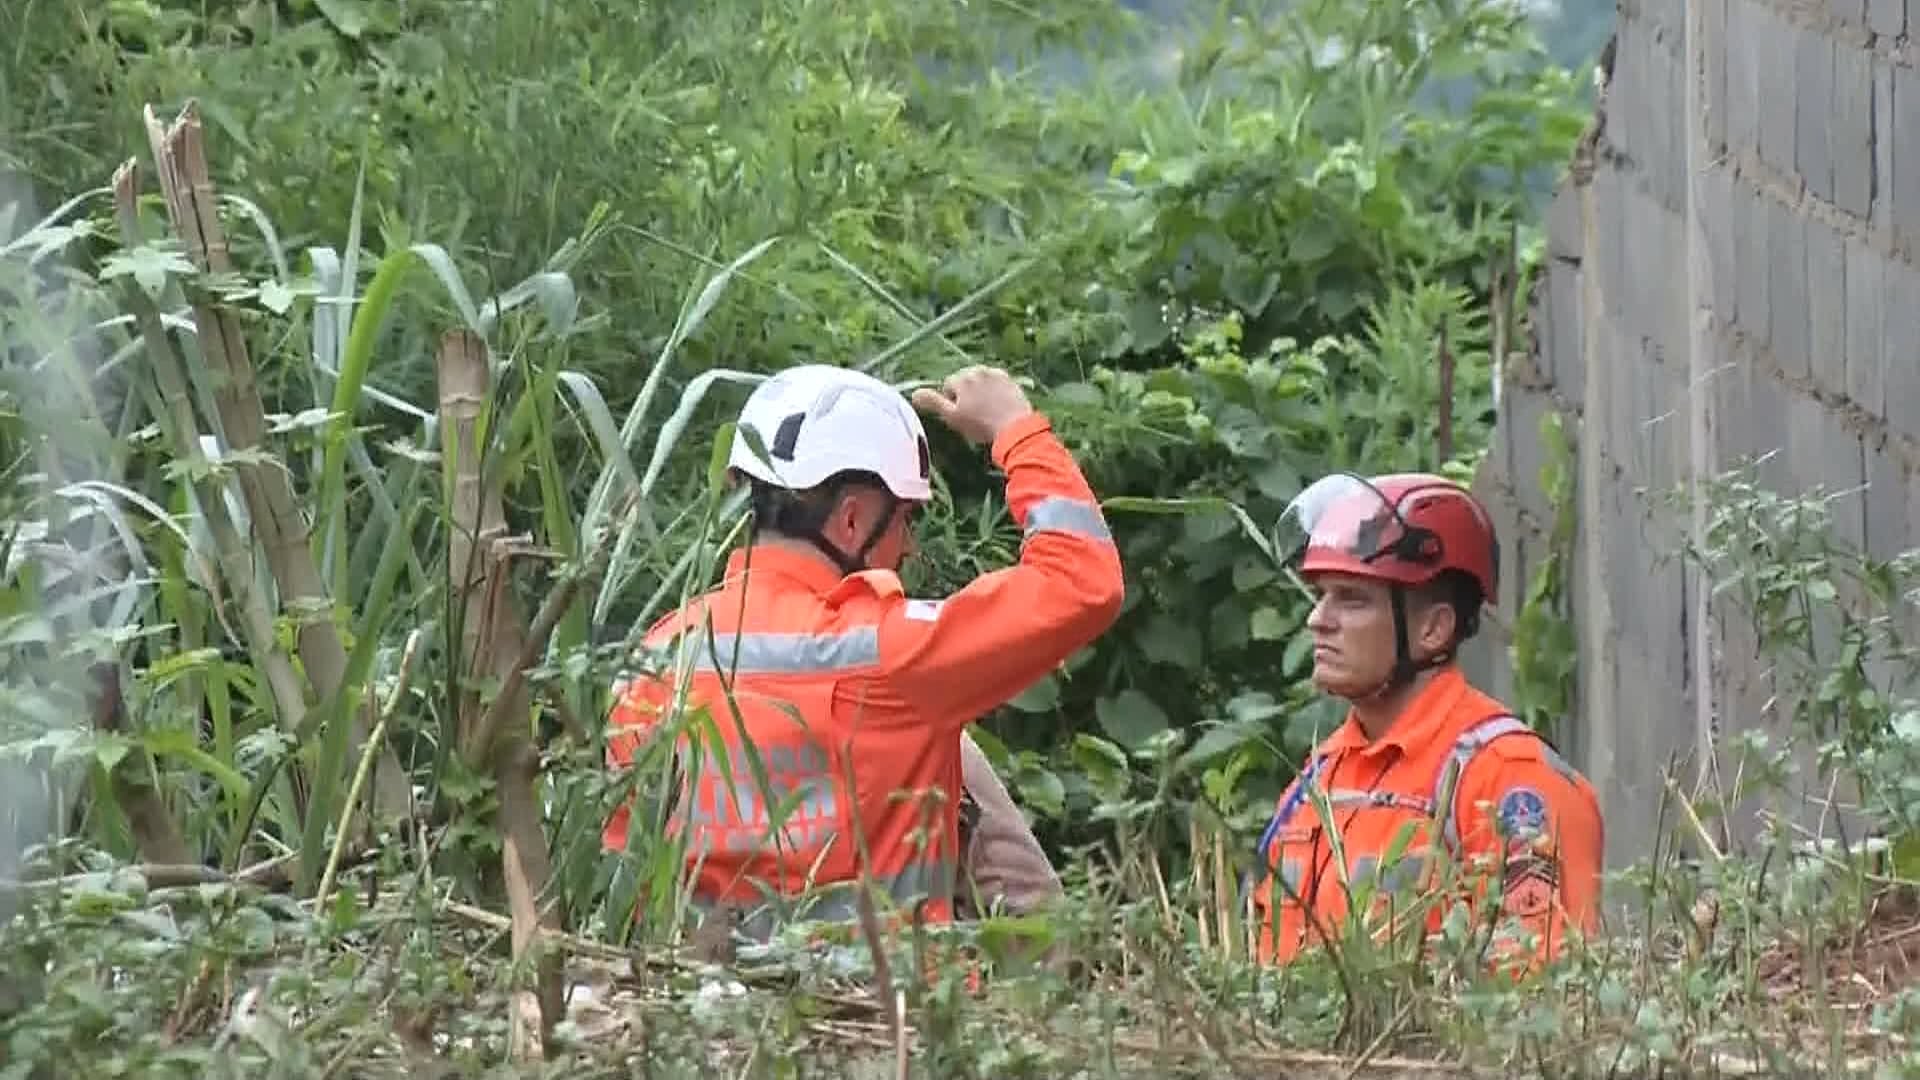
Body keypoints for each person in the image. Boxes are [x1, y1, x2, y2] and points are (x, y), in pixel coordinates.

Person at [601, 363, 1121, 945]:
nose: (910, 544)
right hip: (893, 1013)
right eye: (903, 520)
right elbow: (1083, 581)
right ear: (851, 520)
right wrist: (1015, 428)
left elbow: (624, 879)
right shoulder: (891, 652)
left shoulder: (656, 660)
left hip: (697, 1010)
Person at [1246, 471, 1604, 970]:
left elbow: (1538, 1000)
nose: (1317, 619)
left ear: (1434, 629)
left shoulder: (1509, 778)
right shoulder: (1319, 778)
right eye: (1321, 594)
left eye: (1352, 599)